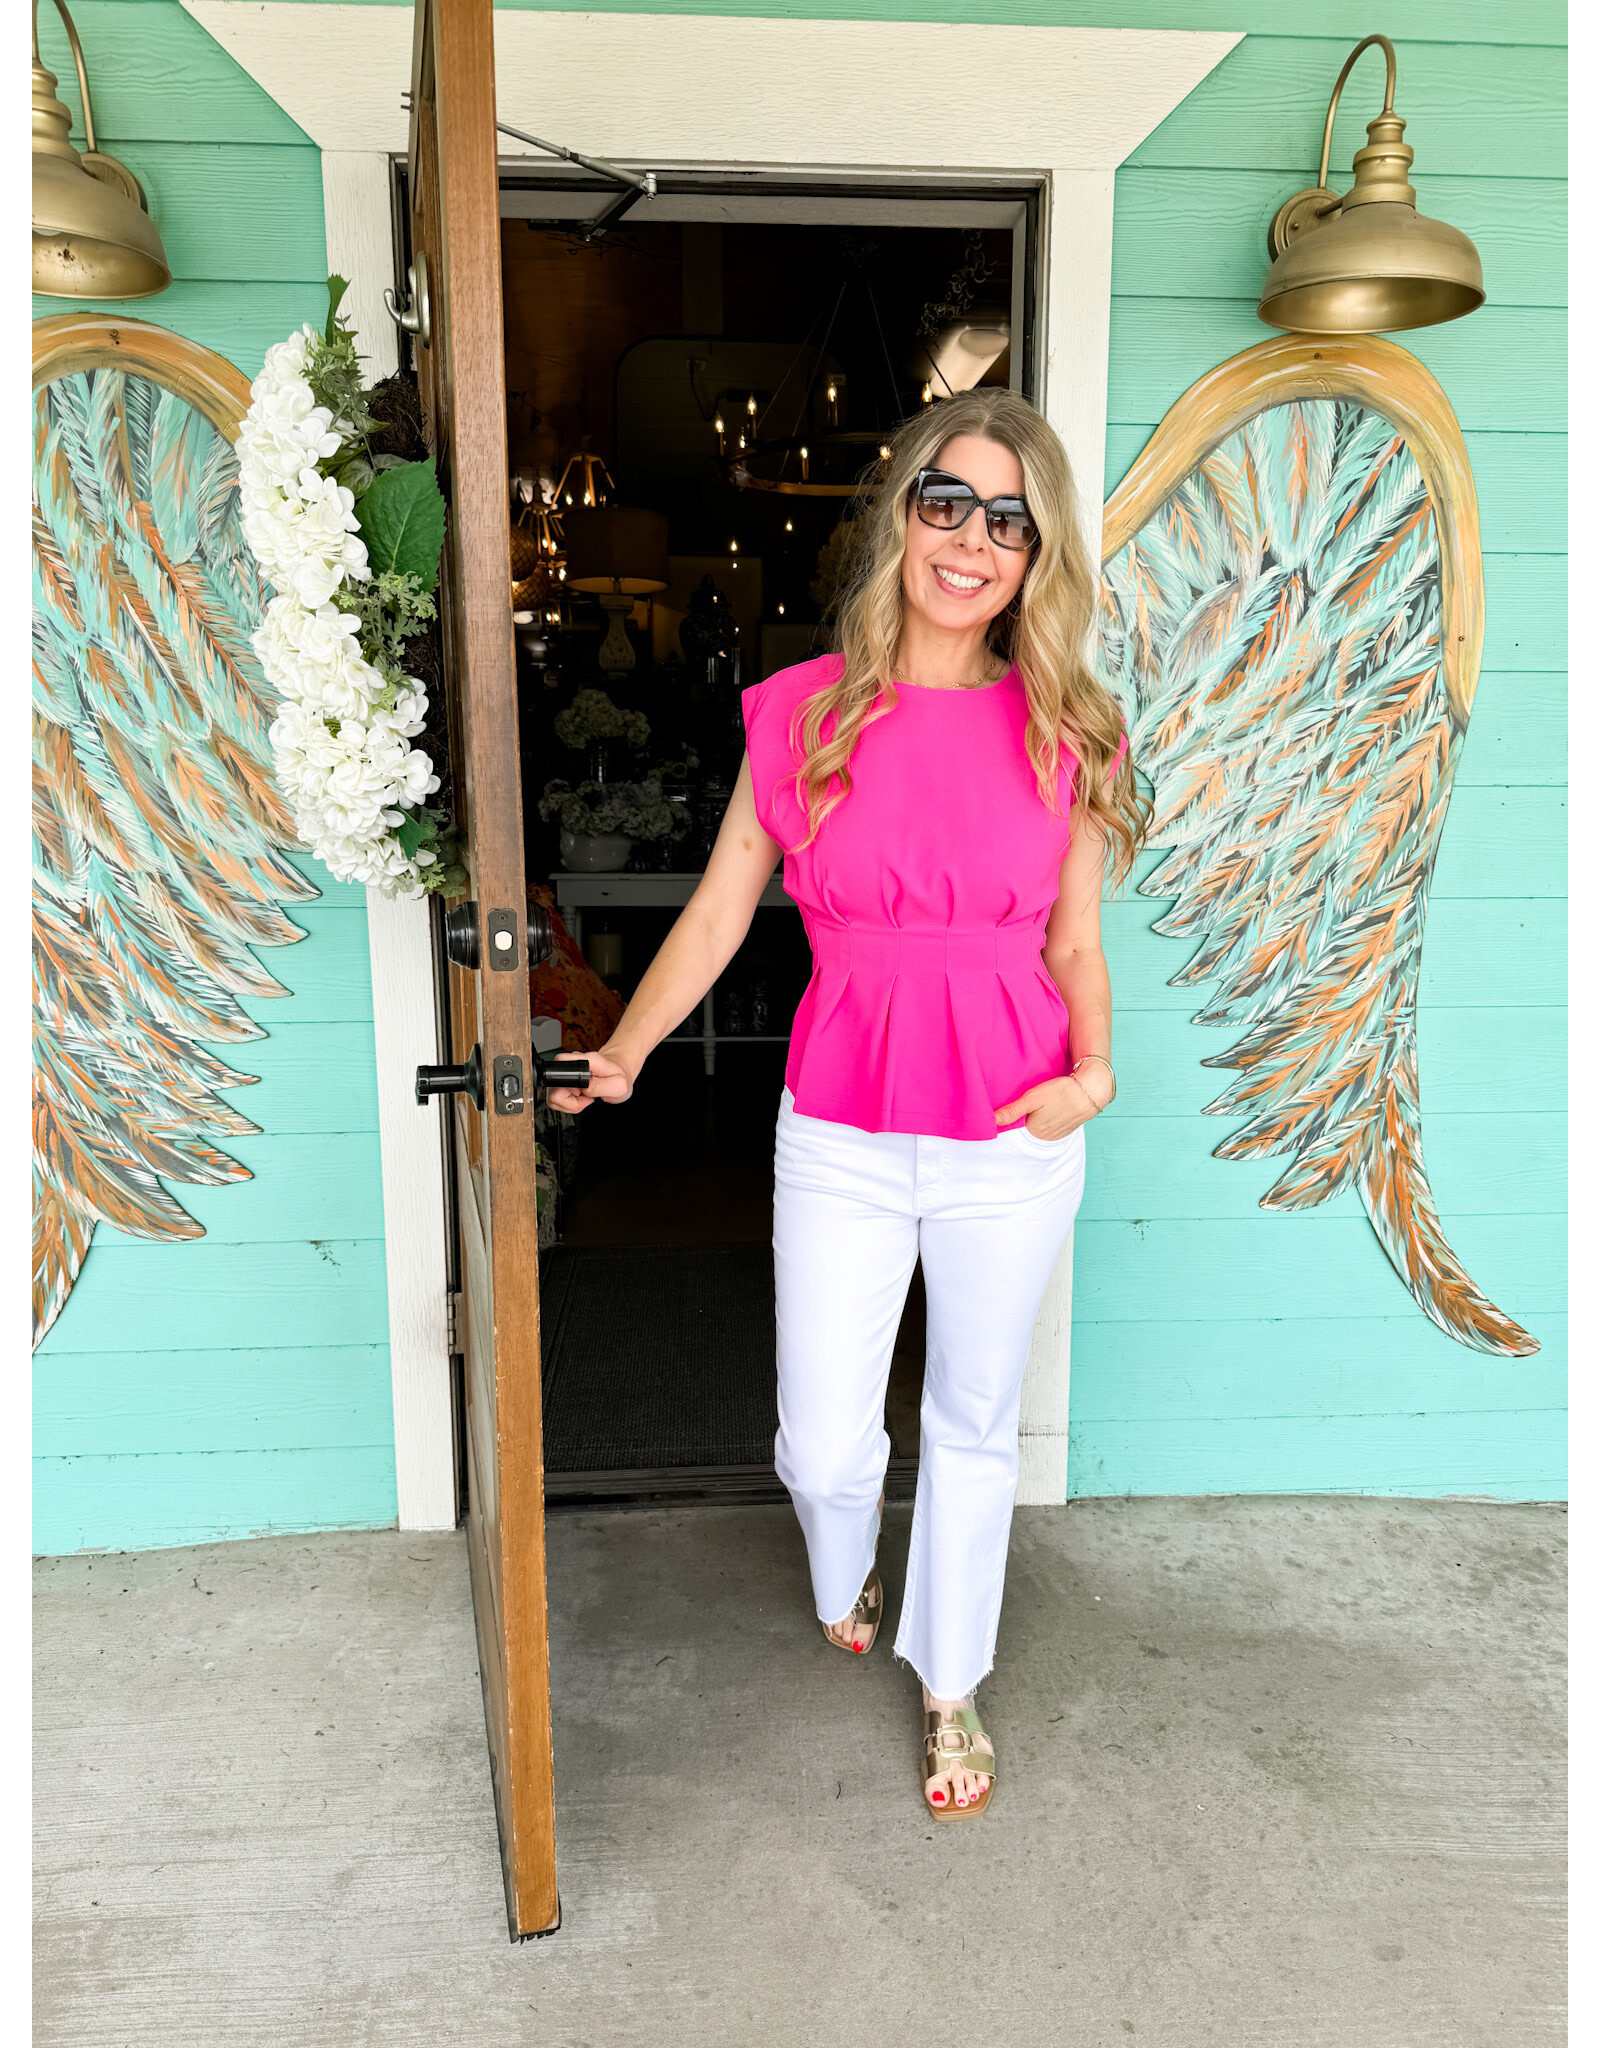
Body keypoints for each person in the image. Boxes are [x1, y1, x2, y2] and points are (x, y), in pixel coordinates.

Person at [548, 386, 1148, 1820]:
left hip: (1013, 1129)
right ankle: (843, 1563)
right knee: (826, 1438)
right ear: (902, 514)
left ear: (1036, 555)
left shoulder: (1069, 729)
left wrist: (1094, 1077)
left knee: (973, 1420)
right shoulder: (802, 712)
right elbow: (712, 917)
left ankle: (952, 1682)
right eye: (949, 501)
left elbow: (1074, 942)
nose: (973, 540)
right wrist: (626, 1050)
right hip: (842, 1128)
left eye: (1009, 519)